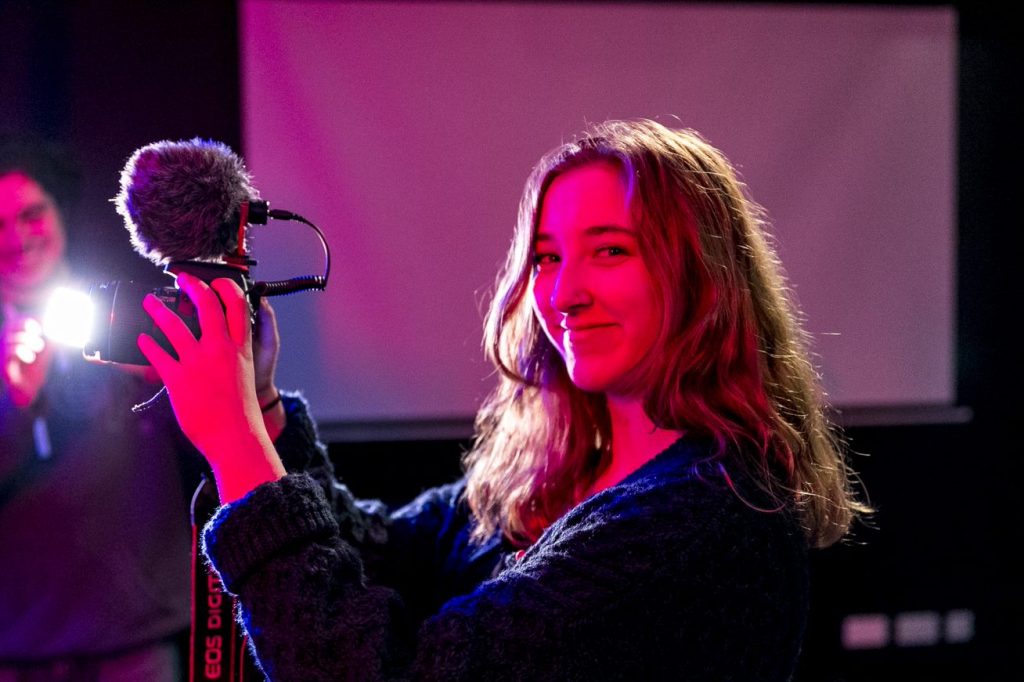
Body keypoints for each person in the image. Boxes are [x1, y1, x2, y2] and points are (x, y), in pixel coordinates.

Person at [139, 119, 868, 680]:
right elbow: (384, 555)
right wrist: (262, 408)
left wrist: (234, 442)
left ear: (702, 276)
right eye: (548, 257)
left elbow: (380, 670)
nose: (564, 292)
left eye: (610, 249)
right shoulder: (566, 463)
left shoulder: (709, 520)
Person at [0, 136, 199, 680]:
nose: (18, 238)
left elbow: (197, 429)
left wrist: (161, 379)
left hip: (132, 629)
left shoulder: (123, 312)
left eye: (32, 214)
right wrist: (13, 404)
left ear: (60, 213)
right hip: (17, 639)